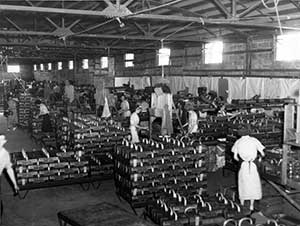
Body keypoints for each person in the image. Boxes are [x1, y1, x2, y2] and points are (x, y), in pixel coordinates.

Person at [231, 135, 265, 211]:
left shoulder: (238, 142)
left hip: (243, 166)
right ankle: (251, 205)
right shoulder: (254, 140)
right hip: (253, 165)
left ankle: (242, 204)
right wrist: (259, 158)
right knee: (253, 185)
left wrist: (242, 159)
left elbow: (235, 157)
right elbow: (262, 154)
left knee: (243, 184)